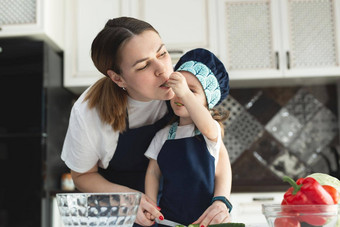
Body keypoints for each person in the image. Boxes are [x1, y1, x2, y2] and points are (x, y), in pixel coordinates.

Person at [61, 16, 232, 227]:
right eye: (143, 66)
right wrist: (128, 199)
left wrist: (222, 200)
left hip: (173, 210)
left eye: (162, 53)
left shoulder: (180, 93)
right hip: (117, 212)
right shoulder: (88, 112)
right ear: (118, 78)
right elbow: (82, 175)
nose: (163, 69)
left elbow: (217, 148)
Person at [144, 48, 232, 226]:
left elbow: (206, 125)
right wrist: (151, 203)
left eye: (192, 91)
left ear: (207, 101)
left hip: (206, 221)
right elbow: (153, 172)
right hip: (168, 220)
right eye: (176, 88)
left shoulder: (210, 130)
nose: (180, 95)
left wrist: (184, 92)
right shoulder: (163, 136)